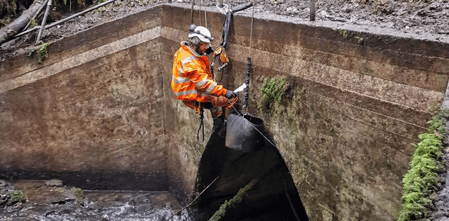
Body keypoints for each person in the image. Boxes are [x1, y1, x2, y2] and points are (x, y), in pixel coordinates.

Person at [171, 24, 238, 123]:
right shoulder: (191, 63)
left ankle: (219, 120)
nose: (207, 47)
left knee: (219, 100)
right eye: (205, 45)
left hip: (190, 89)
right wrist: (225, 92)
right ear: (198, 44)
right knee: (231, 99)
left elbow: (196, 68)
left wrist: (205, 52)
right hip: (193, 96)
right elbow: (204, 85)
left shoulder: (184, 51)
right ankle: (221, 123)